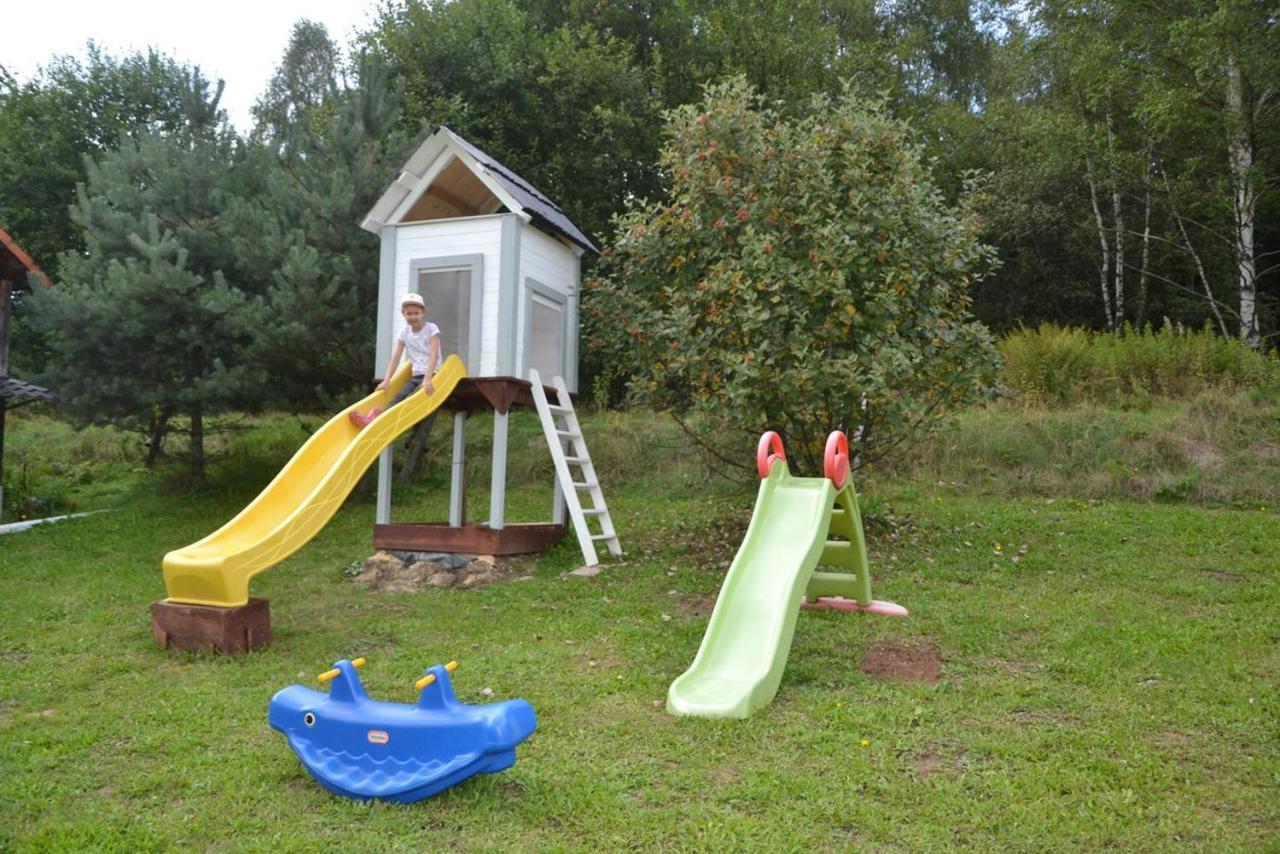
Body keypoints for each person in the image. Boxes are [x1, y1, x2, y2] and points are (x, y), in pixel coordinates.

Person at [349, 293, 441, 427]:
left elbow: (434, 354)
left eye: (416, 313)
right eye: (409, 314)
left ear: (423, 313)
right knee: (398, 397)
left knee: (411, 399)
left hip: (433, 374)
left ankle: (379, 419)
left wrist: (427, 379)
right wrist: (386, 380)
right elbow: (396, 357)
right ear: (403, 314)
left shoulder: (431, 329)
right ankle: (376, 417)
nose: (413, 317)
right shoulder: (404, 333)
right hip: (416, 374)